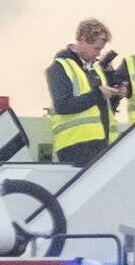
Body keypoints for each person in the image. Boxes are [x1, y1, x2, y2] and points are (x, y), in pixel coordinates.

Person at [45, 18, 124, 167]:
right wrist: (98, 94)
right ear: (81, 40)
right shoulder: (58, 67)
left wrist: (115, 95)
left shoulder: (95, 69)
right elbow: (63, 105)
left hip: (102, 145)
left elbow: (100, 107)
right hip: (75, 147)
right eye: (96, 49)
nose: (98, 54)